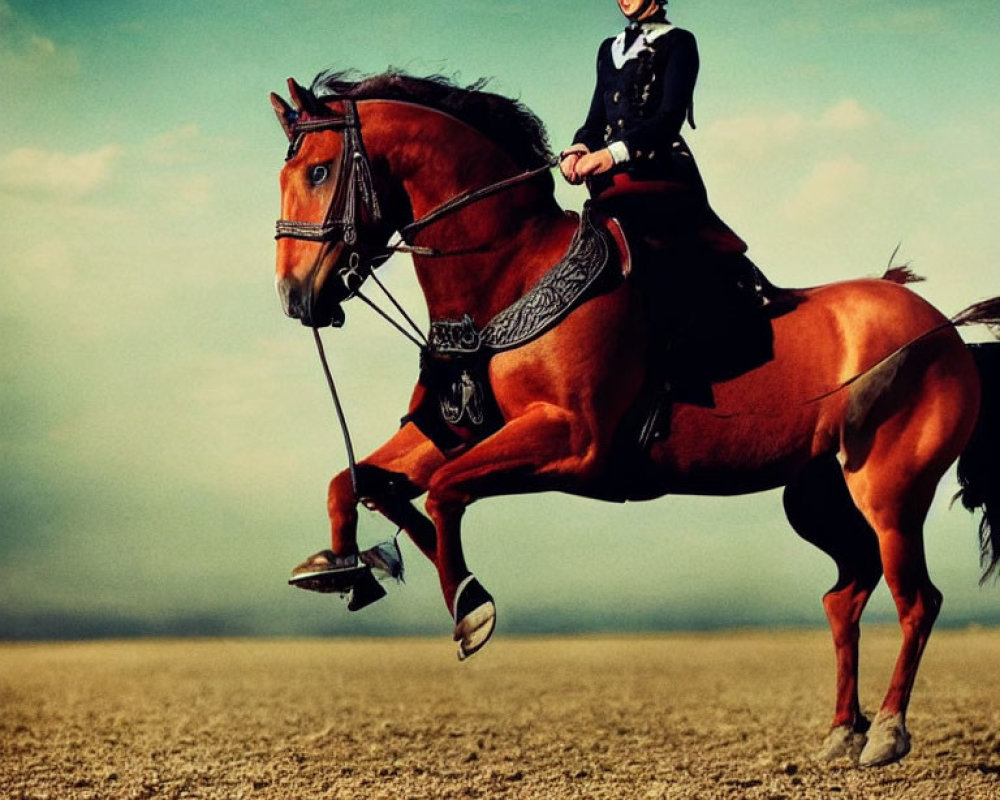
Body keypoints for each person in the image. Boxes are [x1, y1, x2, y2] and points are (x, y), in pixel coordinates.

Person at [560, 0, 771, 429]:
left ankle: (675, 373)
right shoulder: (609, 48)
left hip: (661, 173)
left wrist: (611, 154)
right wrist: (579, 147)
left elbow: (669, 118)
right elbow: (595, 117)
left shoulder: (679, 43)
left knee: (655, 256)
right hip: (611, 182)